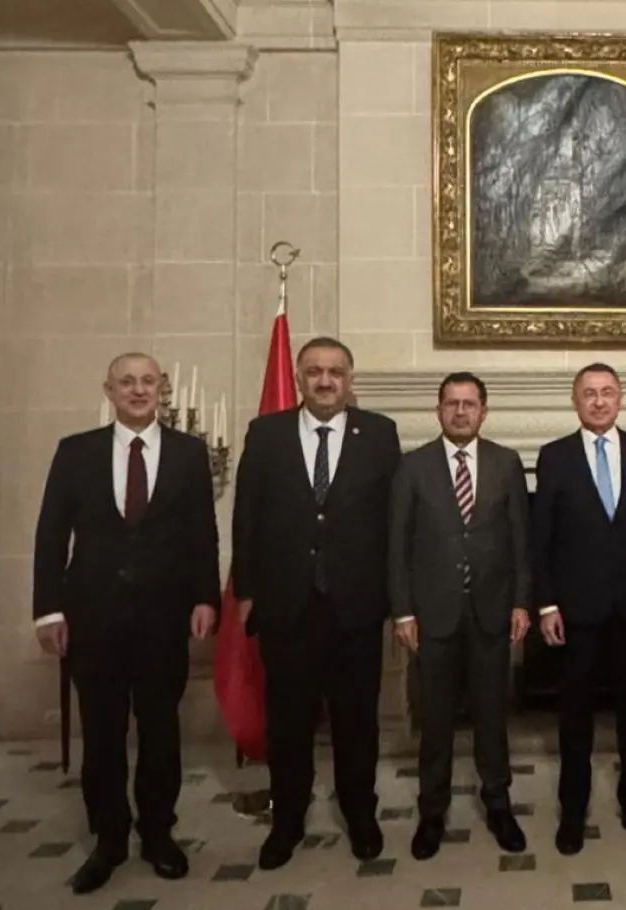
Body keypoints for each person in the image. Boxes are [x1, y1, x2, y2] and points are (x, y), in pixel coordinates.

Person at [33, 353, 221, 895]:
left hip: (164, 617)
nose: (139, 390)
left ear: (162, 389)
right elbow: (51, 534)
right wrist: (49, 610)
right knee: (102, 733)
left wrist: (205, 598)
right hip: (93, 618)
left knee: (161, 730)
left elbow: (202, 533)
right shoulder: (76, 452)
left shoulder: (188, 453)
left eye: (148, 381)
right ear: (109, 390)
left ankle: (158, 834)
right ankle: (110, 839)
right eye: (127, 382)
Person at [232, 337, 401, 870]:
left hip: (356, 606)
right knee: (288, 721)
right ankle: (287, 820)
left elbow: (393, 522)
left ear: (350, 380)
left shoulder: (380, 434)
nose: (325, 380)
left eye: (335, 372)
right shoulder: (266, 434)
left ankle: (360, 813)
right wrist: (246, 592)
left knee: (358, 722)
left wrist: (395, 598)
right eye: (314, 371)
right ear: (299, 379)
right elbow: (246, 517)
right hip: (287, 606)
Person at [532, 363, 626, 856]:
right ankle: (573, 809)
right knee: (575, 713)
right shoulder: (554, 456)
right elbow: (541, 538)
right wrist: (546, 603)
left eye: (607, 392)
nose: (598, 401)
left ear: (620, 399)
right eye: (589, 393)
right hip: (576, 611)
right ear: (575, 401)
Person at [388, 372, 531, 860]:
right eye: (452, 403)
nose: (461, 411)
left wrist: (521, 602)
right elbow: (397, 546)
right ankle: (433, 811)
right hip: (433, 616)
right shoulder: (412, 467)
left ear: (484, 411)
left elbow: (521, 539)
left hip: (491, 611)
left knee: (493, 716)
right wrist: (402, 611)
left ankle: (499, 803)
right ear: (439, 411)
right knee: (435, 719)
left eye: (470, 404)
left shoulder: (506, 463)